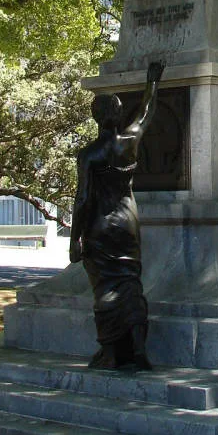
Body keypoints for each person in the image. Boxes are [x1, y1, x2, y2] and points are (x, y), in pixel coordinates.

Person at [69, 61, 165, 371]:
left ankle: (111, 352)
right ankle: (137, 350)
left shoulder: (89, 154)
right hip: (128, 223)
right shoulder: (131, 141)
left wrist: (75, 239)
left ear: (95, 116)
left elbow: (83, 198)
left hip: (100, 225)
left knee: (105, 289)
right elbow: (148, 112)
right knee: (130, 284)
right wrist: (153, 80)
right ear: (119, 114)